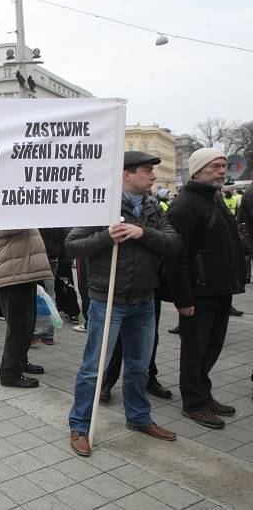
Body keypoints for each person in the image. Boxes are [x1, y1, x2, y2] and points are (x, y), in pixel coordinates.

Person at [65, 151, 181, 457]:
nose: (153, 176)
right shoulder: (99, 206)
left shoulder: (154, 206)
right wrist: (106, 237)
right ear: (126, 174)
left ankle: (139, 417)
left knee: (139, 367)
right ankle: (80, 425)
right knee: (94, 368)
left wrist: (143, 233)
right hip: (108, 301)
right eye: (146, 171)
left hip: (144, 300)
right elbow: (72, 246)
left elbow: (173, 243)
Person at [166, 148, 245, 430]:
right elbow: (177, 257)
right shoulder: (185, 205)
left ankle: (203, 393)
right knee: (195, 349)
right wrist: (183, 299)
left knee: (212, 346)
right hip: (199, 293)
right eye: (215, 166)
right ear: (198, 170)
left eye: (223, 165)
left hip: (220, 289)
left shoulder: (214, 198)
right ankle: (194, 403)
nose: (222, 170)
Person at [0, 229, 52, 388]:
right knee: (18, 326)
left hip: (22, 270)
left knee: (27, 324)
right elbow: (5, 229)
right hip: (11, 273)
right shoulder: (0, 209)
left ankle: (20, 362)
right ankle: (10, 373)